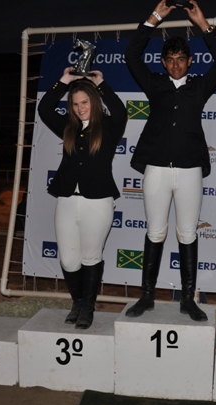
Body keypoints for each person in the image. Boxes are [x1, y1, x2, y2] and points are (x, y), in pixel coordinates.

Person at [124, 0, 216, 321]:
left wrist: (203, 24)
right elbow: (131, 56)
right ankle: (147, 297)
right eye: (169, 59)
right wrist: (154, 18)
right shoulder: (154, 84)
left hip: (189, 172)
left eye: (180, 59)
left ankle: (187, 299)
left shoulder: (199, 87)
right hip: (156, 169)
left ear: (189, 61)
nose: (175, 65)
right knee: (155, 232)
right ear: (163, 62)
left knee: (187, 234)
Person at [37, 67, 127, 329]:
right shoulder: (68, 127)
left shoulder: (109, 126)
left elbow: (121, 112)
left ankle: (87, 307)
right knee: (68, 260)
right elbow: (44, 109)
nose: (80, 108)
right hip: (66, 199)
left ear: (94, 101)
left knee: (90, 256)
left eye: (85, 102)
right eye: (75, 104)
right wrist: (64, 80)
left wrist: (101, 84)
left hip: (97, 201)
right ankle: (77, 302)